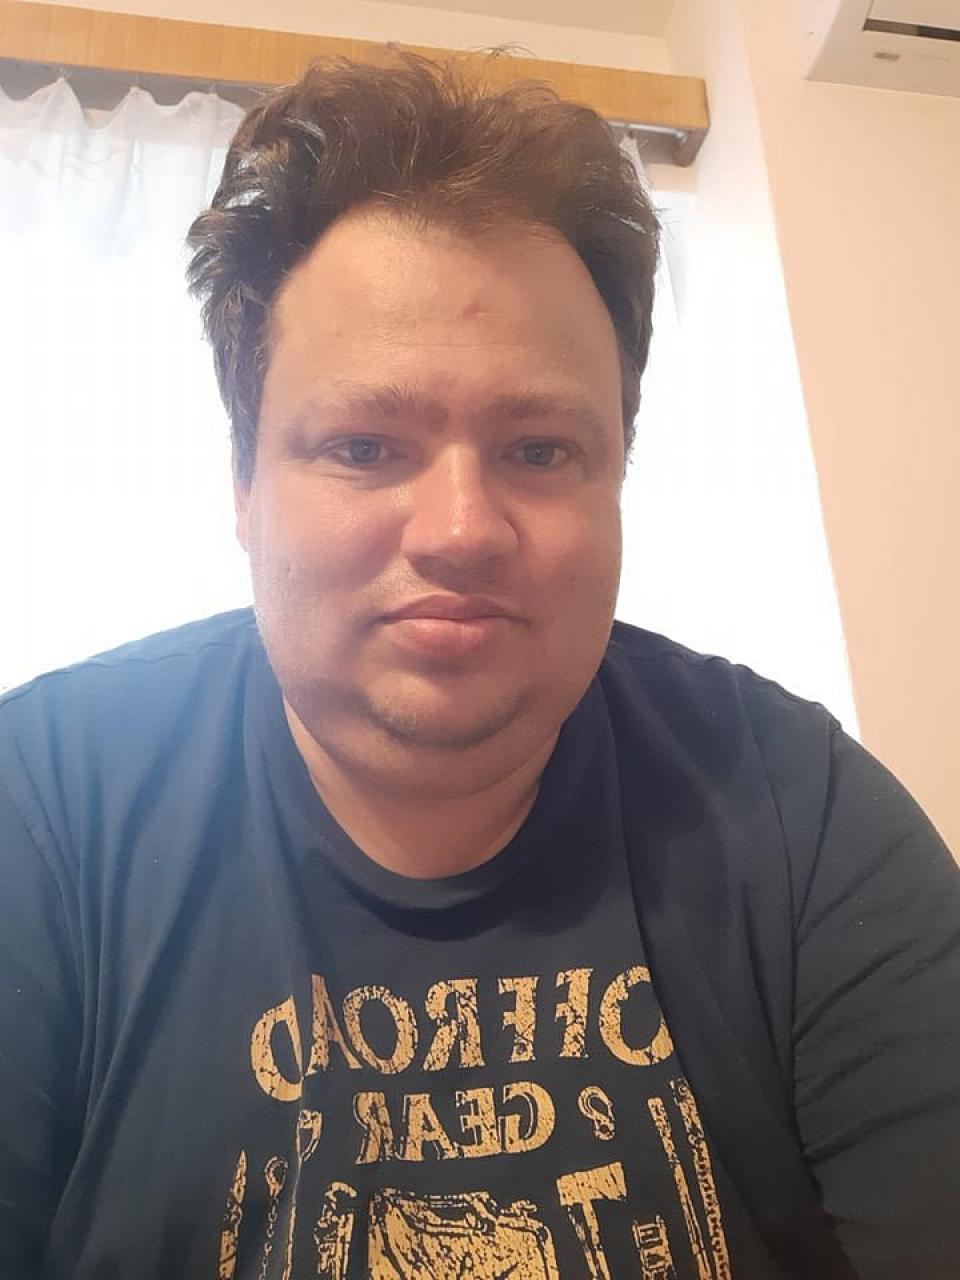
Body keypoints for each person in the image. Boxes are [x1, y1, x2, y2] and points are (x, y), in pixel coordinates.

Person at [1, 51, 957, 1280]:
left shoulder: (797, 812)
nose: (461, 529)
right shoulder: (44, 810)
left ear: (616, 480)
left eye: (540, 449)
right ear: (243, 484)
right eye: (363, 444)